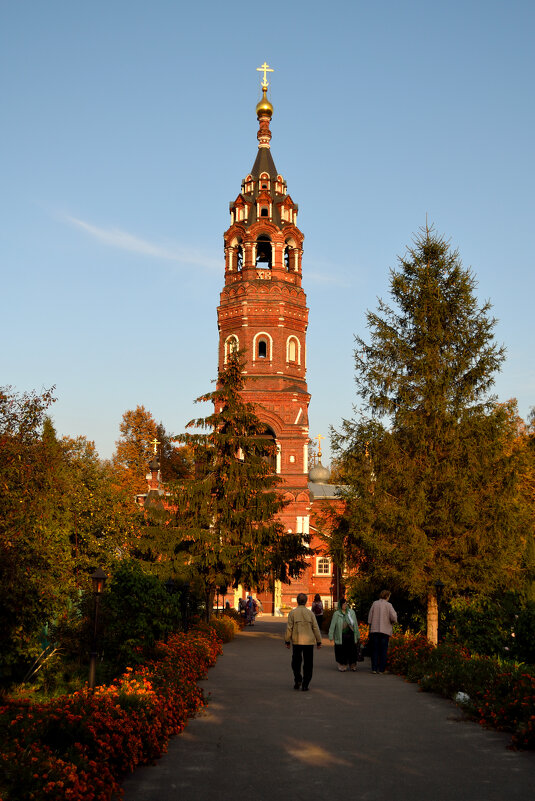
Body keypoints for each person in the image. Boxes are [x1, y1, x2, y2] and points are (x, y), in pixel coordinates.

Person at [284, 593, 322, 691]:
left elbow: (289, 628)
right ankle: (305, 684)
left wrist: (287, 641)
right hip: (309, 642)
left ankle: (298, 679)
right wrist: (319, 641)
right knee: (308, 664)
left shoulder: (292, 613)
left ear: (297, 601)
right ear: (305, 602)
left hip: (297, 641)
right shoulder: (310, 613)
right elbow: (315, 628)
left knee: (296, 662)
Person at [368, 590, 397, 674]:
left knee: (375, 650)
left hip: (375, 630)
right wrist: (393, 621)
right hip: (385, 631)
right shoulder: (389, 605)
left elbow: (370, 616)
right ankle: (381, 669)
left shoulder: (375, 603)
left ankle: (374, 668)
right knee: (383, 650)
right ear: (387, 596)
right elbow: (394, 616)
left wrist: (370, 624)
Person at [328, 597, 360, 671]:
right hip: (341, 635)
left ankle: (353, 664)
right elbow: (332, 625)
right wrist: (331, 635)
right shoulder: (337, 614)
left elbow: (355, 625)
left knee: (352, 650)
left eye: (346, 604)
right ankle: (343, 664)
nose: (345, 605)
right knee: (342, 651)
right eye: (343, 604)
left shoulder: (351, 613)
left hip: (351, 635)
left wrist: (358, 635)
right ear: (340, 605)